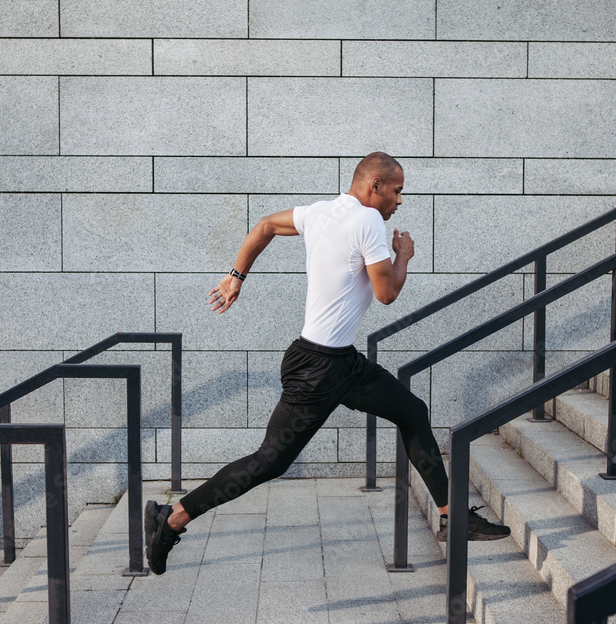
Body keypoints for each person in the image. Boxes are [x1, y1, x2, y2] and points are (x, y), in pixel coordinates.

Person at [145, 152, 509, 575]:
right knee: (270, 461)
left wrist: (236, 276)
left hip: (338, 363)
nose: (400, 201)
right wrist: (404, 255)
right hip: (320, 370)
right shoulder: (369, 221)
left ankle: (452, 516)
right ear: (375, 185)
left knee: (412, 412)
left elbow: (264, 226)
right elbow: (386, 293)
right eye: (397, 190)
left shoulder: (320, 213)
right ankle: (171, 520)